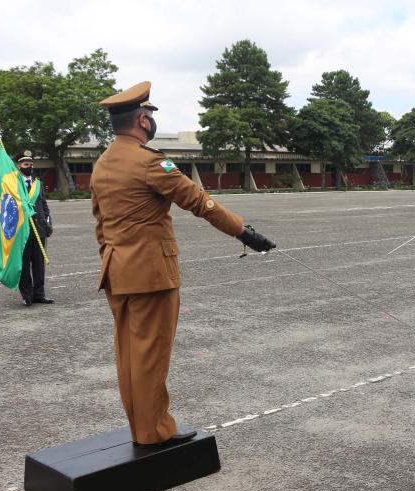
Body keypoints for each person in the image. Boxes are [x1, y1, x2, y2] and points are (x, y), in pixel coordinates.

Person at [91, 81, 276, 448]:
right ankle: (153, 431)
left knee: (129, 354)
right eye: (149, 115)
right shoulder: (150, 162)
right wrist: (244, 232)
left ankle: (141, 426)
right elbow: (199, 201)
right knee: (151, 355)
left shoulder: (103, 163)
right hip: (151, 274)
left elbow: (100, 223)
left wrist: (114, 260)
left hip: (117, 271)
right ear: (143, 120)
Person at [16, 151, 54, 306]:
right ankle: (27, 295)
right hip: (22, 230)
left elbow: (43, 204)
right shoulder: (13, 184)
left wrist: (48, 222)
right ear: (19, 166)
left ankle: (39, 294)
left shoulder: (37, 183)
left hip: (39, 229)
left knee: (39, 265)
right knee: (24, 265)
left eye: (31, 164)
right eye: (26, 164)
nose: (29, 167)